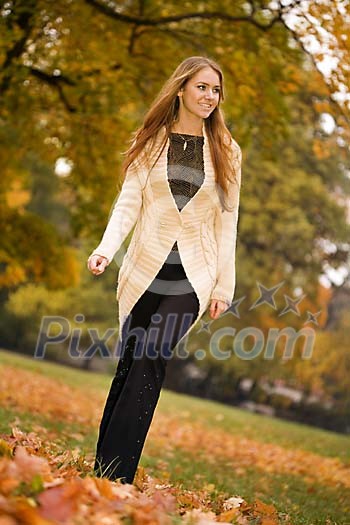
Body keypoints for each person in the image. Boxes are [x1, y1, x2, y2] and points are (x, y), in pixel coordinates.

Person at [87, 55, 242, 484]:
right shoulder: (151, 139)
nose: (210, 96)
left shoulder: (227, 150)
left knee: (152, 354)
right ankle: (103, 469)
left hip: (194, 275)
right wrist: (105, 248)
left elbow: (228, 221)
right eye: (202, 87)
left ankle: (116, 477)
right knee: (132, 361)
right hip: (144, 268)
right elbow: (129, 201)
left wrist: (223, 287)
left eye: (215, 90)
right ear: (181, 90)